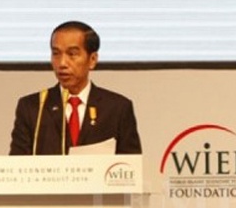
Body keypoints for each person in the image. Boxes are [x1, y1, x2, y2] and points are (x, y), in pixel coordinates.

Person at [9, 21, 142, 155]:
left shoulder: (117, 108)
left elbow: (131, 164)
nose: (62, 63)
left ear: (92, 59)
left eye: (72, 54)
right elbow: (17, 163)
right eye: (56, 53)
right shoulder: (33, 108)